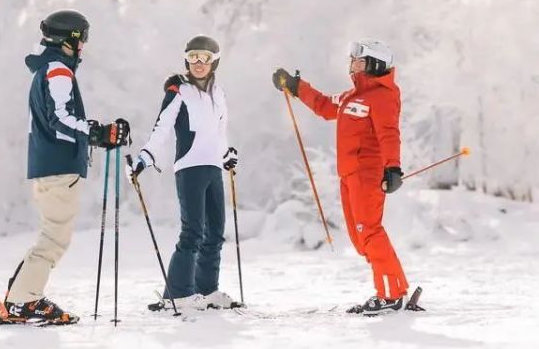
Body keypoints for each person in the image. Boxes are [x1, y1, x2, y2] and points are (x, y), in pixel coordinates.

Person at [0, 10, 127, 325]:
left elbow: (55, 120)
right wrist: (98, 133)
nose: (85, 46)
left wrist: (99, 135)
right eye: (84, 38)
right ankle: (24, 301)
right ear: (72, 39)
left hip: (50, 165)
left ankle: (20, 296)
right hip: (58, 167)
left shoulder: (48, 70)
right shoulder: (58, 71)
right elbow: (59, 118)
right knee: (54, 239)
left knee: (51, 236)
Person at [272, 40, 411, 315]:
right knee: (360, 240)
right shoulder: (351, 97)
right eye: (352, 61)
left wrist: (392, 167)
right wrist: (296, 86)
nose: (352, 65)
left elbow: (388, 133)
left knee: (369, 233)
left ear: (375, 64)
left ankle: (390, 295)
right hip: (348, 175)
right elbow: (324, 106)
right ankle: (394, 288)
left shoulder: (382, 96)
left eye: (359, 61)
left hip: (368, 174)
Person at [130, 35, 239, 311]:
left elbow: (220, 130)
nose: (198, 63)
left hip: (213, 166)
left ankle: (206, 290)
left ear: (214, 61)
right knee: (193, 232)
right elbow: (162, 127)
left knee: (215, 232)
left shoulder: (219, 92)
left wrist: (226, 155)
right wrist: (145, 157)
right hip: (190, 167)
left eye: (203, 57)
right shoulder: (179, 89)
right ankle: (178, 294)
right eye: (192, 57)